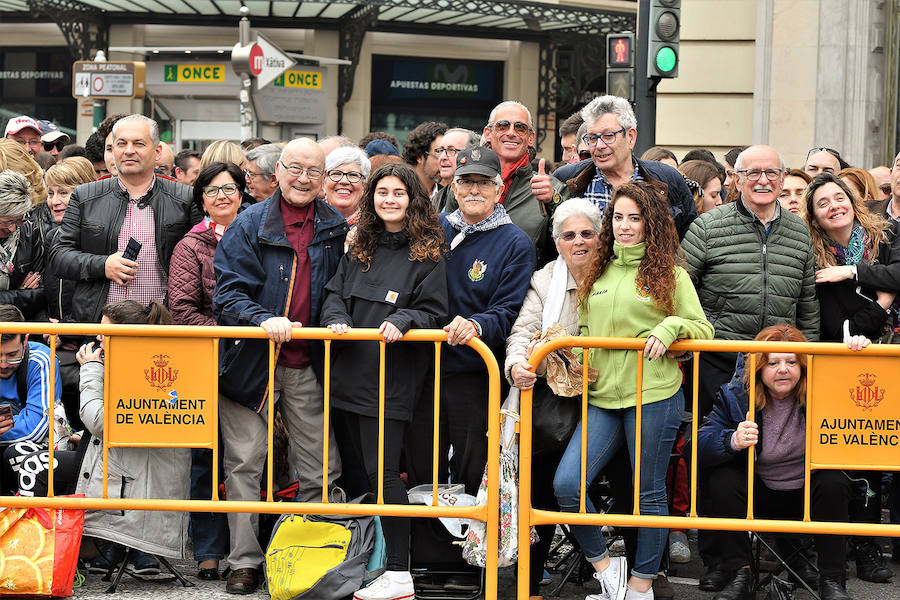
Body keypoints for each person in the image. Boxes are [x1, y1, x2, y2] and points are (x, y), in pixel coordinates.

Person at [552, 180, 713, 600]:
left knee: (649, 493)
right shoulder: (596, 273)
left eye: (634, 218)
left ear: (650, 224)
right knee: (568, 485)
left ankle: (641, 586)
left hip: (655, 394)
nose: (625, 226)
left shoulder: (670, 274)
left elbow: (702, 327)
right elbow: (586, 331)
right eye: (618, 218)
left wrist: (670, 325)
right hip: (602, 397)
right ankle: (608, 571)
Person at [681, 144, 820, 591]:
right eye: (751, 172)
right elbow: (682, 288)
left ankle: (786, 553)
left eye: (771, 172)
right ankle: (721, 560)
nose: (763, 180)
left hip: (781, 365)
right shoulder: (707, 226)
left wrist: (810, 360)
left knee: (777, 456)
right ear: (735, 177)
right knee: (718, 458)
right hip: (720, 360)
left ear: (783, 178)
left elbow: (807, 306)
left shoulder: (799, 233)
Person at [212, 138, 346, 594]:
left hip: (309, 363)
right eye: (295, 168)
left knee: (320, 468)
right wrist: (262, 318)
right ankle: (243, 562)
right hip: (251, 363)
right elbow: (226, 294)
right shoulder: (249, 223)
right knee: (245, 464)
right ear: (278, 172)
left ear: (325, 177)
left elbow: (340, 292)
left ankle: (308, 556)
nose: (304, 178)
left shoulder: (336, 225)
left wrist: (336, 319)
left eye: (314, 170)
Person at [322, 162, 448, 600]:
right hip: (348, 378)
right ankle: (372, 564)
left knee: (385, 476)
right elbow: (334, 294)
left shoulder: (428, 252)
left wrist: (405, 318)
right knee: (360, 476)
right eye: (381, 192)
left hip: (391, 381)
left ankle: (400, 573)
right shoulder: (360, 246)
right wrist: (336, 318)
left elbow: (435, 310)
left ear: (413, 200)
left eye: (398, 193)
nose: (389, 199)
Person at [698, 325, 861, 600]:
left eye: (791, 361)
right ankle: (741, 574)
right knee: (722, 479)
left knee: (834, 480)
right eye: (773, 363)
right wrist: (732, 440)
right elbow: (700, 444)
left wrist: (859, 349)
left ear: (804, 364)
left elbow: (861, 387)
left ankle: (832, 581)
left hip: (808, 496)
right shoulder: (736, 394)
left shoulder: (825, 388)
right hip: (758, 494)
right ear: (759, 368)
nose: (783, 369)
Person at [803, 172, 900, 584]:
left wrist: (853, 274)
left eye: (839, 197)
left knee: (879, 454)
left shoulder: (887, 234)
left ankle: (868, 544)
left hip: (889, 359)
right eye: (822, 203)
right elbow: (836, 322)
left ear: (853, 199)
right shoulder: (812, 254)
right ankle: (845, 542)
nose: (834, 206)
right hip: (842, 361)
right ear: (814, 217)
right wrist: (882, 302)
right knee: (846, 454)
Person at [505, 198, 603, 599]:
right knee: (541, 482)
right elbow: (523, 330)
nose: (578, 242)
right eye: (569, 236)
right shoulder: (545, 279)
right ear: (557, 242)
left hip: (609, 397)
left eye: (587, 233)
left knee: (630, 486)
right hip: (558, 404)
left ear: (601, 237)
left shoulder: (618, 273)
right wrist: (516, 364)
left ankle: (627, 577)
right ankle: (528, 583)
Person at [167, 161, 243, 580]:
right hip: (207, 362)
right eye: (212, 191)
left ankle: (249, 549)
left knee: (251, 459)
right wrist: (233, 330)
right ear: (200, 201)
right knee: (206, 458)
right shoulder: (190, 246)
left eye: (229, 188)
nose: (222, 196)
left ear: (243, 193)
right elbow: (181, 310)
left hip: (254, 363)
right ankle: (209, 550)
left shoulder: (258, 236)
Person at [77, 300, 190, 576]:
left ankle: (134, 547)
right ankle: (113, 544)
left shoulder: (147, 374)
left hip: (143, 502)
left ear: (130, 337)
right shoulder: (130, 362)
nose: (98, 339)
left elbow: (100, 422)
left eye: (107, 333)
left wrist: (90, 370)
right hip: (128, 489)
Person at [49, 114, 194, 325]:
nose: (128, 151)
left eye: (139, 144)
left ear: (157, 151)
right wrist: (103, 264)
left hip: (162, 325)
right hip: (101, 326)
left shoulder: (184, 198)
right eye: (121, 144)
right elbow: (59, 257)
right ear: (112, 150)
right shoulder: (85, 196)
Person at [535, 95, 697, 240]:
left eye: (608, 136)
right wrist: (551, 202)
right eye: (592, 138)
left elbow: (690, 242)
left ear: (631, 137)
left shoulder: (667, 179)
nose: (599, 146)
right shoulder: (567, 178)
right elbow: (552, 242)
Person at [41, 160, 96, 431]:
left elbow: (100, 298)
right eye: (51, 193)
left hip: (87, 346)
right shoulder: (52, 236)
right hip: (57, 344)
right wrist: (46, 328)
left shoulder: (97, 236)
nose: (55, 201)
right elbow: (43, 296)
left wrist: (67, 332)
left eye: (64, 192)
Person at [0, 303, 64, 496]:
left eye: (12, 355)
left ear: (25, 340)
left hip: (40, 446)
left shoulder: (41, 359)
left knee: (17, 453)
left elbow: (34, 430)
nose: (3, 364)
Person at [0, 170, 46, 318]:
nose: (13, 228)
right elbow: (27, 295)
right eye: (7, 221)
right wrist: (20, 292)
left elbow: (39, 293)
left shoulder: (31, 232)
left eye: (19, 220)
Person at [324, 145, 370, 237]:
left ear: (364, 185)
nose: (344, 181)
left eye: (353, 175)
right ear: (324, 181)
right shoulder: (309, 220)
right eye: (336, 174)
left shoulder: (374, 225)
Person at [433, 127, 479, 212]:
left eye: (451, 150)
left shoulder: (478, 197)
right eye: (441, 150)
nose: (442, 157)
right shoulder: (437, 198)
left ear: (472, 156)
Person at [402, 121, 447, 198]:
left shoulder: (447, 197)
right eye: (439, 152)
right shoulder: (401, 192)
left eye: (448, 152)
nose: (445, 160)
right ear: (420, 157)